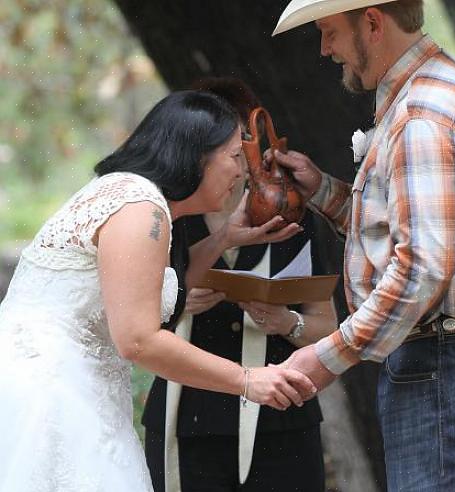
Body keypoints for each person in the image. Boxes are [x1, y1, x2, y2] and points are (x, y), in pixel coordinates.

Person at [271, 1, 455, 490]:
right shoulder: (426, 95)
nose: (325, 49)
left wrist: (330, 354)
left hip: (450, 359)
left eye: (329, 32)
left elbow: (422, 269)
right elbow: (419, 235)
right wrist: (323, 192)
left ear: (372, 23)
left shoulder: (423, 114)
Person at [0, 90, 316, 492]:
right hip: (51, 393)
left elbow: (154, 284)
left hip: (71, 384)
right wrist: (247, 380)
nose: (243, 173)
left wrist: (222, 238)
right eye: (235, 156)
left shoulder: (134, 196)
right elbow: (138, 339)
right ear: (197, 154)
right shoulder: (140, 208)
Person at [142, 77, 337, 492]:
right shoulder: (163, 216)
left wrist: (286, 322)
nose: (234, 156)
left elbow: (327, 328)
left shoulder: (290, 217)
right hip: (186, 418)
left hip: (281, 422)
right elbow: (130, 329)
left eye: (240, 142)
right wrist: (176, 302)